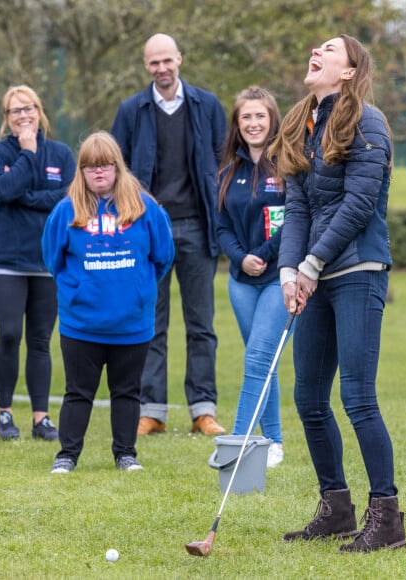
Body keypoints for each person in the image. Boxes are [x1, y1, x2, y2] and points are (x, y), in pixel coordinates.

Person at [269, 35, 406, 552]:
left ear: (349, 71)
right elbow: (299, 207)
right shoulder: (302, 123)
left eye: (329, 49)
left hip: (358, 270)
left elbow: (356, 205)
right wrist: (289, 271)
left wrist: (311, 263)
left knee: (357, 397)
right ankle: (336, 508)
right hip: (315, 275)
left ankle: (387, 518)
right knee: (308, 398)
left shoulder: (366, 122)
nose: (316, 51)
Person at [111, 33, 228, 436]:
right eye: (153, 63)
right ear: (146, 66)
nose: (162, 69)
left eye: (167, 60)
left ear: (180, 58)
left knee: (201, 325)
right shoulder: (131, 111)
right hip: (148, 233)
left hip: (198, 228)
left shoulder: (208, 105)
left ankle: (203, 410)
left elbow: (221, 164)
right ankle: (152, 411)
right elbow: (118, 172)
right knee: (151, 324)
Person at [42, 131, 175, 473]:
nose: (98, 173)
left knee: (127, 392)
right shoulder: (66, 210)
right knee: (77, 392)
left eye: (105, 165)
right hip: (81, 325)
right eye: (90, 167)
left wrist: (137, 291)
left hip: (132, 324)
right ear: (81, 171)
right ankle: (67, 455)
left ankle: (125, 454)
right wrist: (79, 290)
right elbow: (52, 258)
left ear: (118, 167)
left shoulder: (145, 208)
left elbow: (162, 257)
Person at [0, 85, 76, 441]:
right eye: (15, 111)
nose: (23, 115)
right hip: (4, 258)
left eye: (28, 108)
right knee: (9, 333)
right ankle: (5, 414)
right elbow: (2, 190)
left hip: (47, 260)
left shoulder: (62, 154)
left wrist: (23, 196)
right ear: (6, 118)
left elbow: (65, 200)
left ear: (39, 110)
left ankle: (41, 419)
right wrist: (27, 153)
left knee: (40, 339)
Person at [216, 86, 291, 468]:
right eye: (246, 116)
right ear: (237, 124)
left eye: (260, 115)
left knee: (260, 357)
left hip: (281, 279)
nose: (253, 122)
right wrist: (240, 258)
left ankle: (238, 443)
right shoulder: (229, 173)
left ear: (272, 119)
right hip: (241, 283)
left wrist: (260, 256)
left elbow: (296, 220)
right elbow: (222, 226)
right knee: (263, 361)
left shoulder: (290, 166)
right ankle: (273, 440)